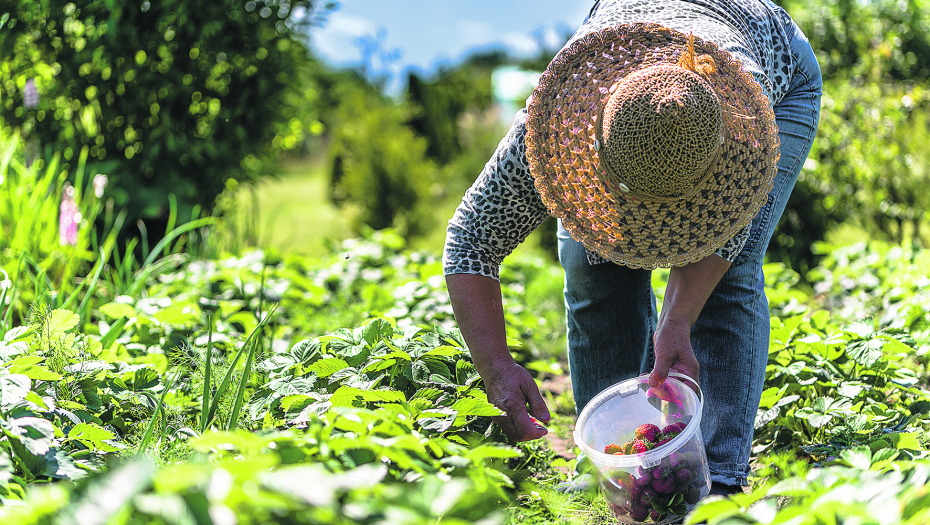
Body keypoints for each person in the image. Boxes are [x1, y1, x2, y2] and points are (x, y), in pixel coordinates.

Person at [442, 0, 822, 496]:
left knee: (727, 277)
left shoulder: (742, 132)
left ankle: (719, 482)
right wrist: (497, 369)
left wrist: (678, 320)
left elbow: (731, 232)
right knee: (592, 265)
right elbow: (471, 239)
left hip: (780, 74)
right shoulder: (562, 112)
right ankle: (620, 471)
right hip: (628, 82)